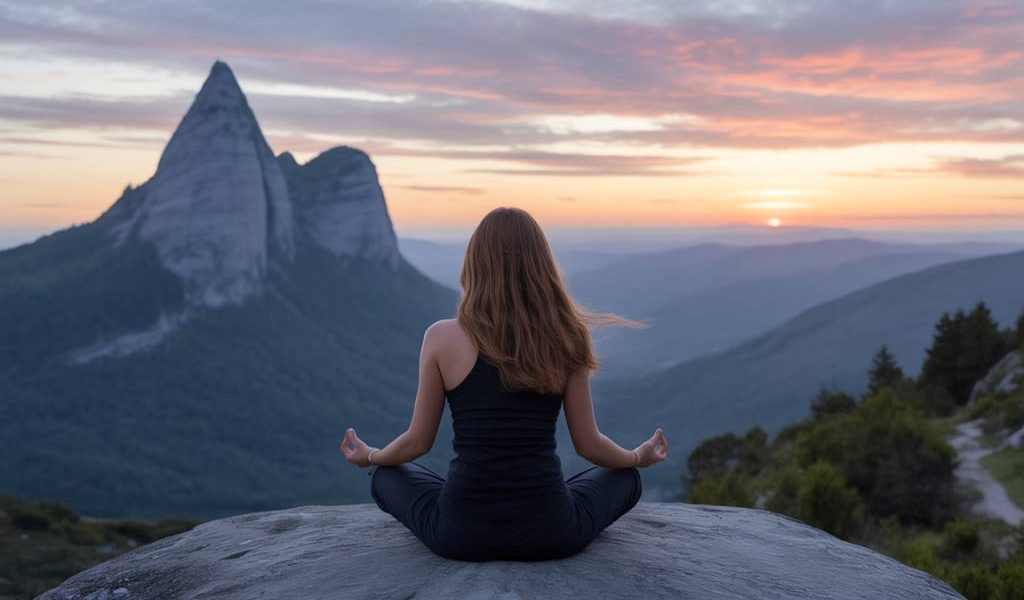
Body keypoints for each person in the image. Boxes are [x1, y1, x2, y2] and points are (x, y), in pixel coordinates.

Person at [340, 206, 669, 562]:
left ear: (474, 265)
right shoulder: (567, 337)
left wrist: (371, 456)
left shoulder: (441, 337)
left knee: (385, 477)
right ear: (541, 266)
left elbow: (417, 442)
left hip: (460, 535)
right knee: (626, 479)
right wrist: (638, 457)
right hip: (551, 533)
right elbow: (590, 446)